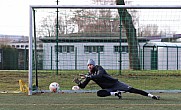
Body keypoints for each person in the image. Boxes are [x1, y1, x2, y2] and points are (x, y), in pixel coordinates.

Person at [73, 59, 160, 100]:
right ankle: (116, 93)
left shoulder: (99, 68)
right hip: (109, 88)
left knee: (132, 90)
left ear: (94, 65)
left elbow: (99, 76)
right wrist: (79, 83)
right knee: (99, 93)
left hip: (115, 84)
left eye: (90, 65)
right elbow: (83, 86)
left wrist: (89, 77)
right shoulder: (89, 75)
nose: (89, 66)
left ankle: (152, 96)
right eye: (88, 65)